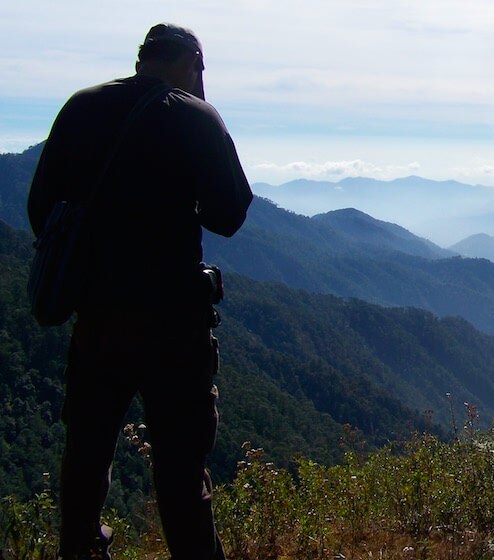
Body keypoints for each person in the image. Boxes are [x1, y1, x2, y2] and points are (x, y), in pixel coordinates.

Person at [27, 23, 252, 560]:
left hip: (99, 319)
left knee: (86, 454)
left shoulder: (80, 108)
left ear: (142, 59)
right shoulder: (194, 116)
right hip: (175, 323)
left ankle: (80, 549)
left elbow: (41, 209)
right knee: (179, 471)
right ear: (191, 63)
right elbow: (230, 214)